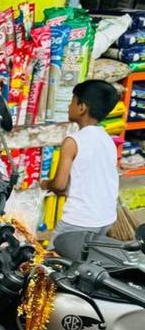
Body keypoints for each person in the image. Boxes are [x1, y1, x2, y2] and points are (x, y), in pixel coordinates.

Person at [42, 80, 120, 243]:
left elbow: (59, 185)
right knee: (82, 262)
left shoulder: (72, 142)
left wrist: (45, 184)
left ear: (81, 107)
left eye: (72, 101)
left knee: (50, 263)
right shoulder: (107, 139)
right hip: (105, 218)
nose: (69, 106)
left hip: (79, 220)